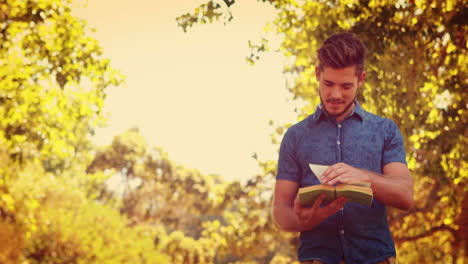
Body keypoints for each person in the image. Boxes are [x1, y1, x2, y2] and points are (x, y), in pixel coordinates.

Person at [272, 33, 414, 264]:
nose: (336, 94)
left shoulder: (385, 130)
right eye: (328, 84)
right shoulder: (295, 136)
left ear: (361, 79)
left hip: (375, 258)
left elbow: (405, 196)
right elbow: (281, 213)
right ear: (318, 74)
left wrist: (364, 177)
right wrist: (307, 220)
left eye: (346, 86)